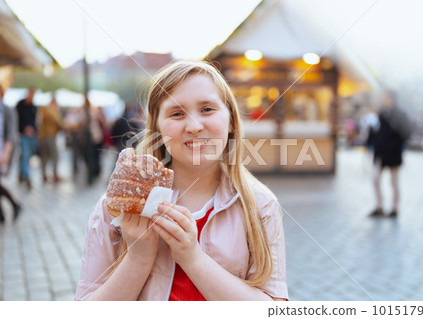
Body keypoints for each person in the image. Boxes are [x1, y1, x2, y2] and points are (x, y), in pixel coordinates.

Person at [75, 61, 288, 301]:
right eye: (176, 113)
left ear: (230, 121)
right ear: (157, 128)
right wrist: (138, 257)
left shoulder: (261, 205)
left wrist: (192, 258)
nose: (195, 126)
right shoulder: (115, 208)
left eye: (207, 109)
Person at [370, 90, 411, 218]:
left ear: (390, 98)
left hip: (393, 154)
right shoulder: (381, 113)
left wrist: (394, 145)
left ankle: (394, 208)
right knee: (376, 179)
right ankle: (379, 206)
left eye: (384, 97)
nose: (381, 99)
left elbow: (406, 134)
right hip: (381, 154)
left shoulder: (399, 114)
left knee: (394, 182)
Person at [0, 86, 21, 224]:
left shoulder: (7, 110)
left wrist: (6, 154)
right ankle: (2, 213)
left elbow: (11, 135)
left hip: (3, 151)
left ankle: (14, 204)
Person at [37, 95, 64, 183]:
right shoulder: (49, 109)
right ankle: (54, 174)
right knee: (54, 155)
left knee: (45, 155)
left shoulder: (47, 109)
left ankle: (44, 174)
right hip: (48, 135)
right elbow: (58, 121)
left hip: (47, 135)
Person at [15, 88, 38, 189]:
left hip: (32, 135)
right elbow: (17, 120)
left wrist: (33, 129)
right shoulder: (20, 105)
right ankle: (26, 175)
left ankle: (22, 173)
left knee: (26, 155)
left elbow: (35, 121)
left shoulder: (33, 107)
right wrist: (23, 129)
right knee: (25, 154)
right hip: (23, 134)